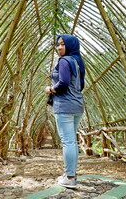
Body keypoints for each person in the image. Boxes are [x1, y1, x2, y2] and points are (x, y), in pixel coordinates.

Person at [44, 34, 85, 188]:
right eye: (58, 44)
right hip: (77, 106)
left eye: (63, 44)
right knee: (72, 141)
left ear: (70, 45)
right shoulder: (77, 61)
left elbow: (64, 83)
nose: (59, 47)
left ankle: (69, 177)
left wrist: (50, 89)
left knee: (67, 141)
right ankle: (70, 174)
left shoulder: (64, 61)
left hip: (64, 107)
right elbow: (80, 85)